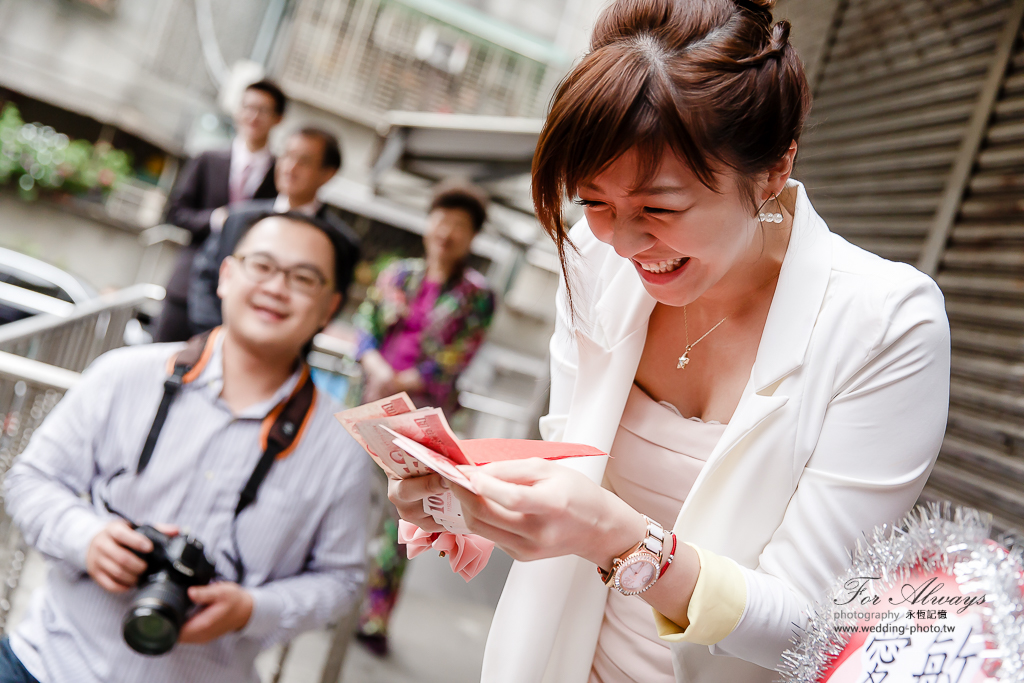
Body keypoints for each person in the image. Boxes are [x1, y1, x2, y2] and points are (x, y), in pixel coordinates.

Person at [389, 1, 951, 682]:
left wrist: (617, 537)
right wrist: (486, 506)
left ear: (774, 168)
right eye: (593, 201)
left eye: (659, 208)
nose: (624, 242)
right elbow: (572, 458)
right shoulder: (595, 268)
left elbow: (814, 625)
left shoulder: (886, 325)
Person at [3, 212, 369, 683]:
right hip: (46, 664)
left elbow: (341, 581)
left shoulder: (341, 451)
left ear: (329, 307)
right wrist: (88, 538)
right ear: (226, 276)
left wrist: (252, 610)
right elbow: (30, 479)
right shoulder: (123, 376)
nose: (277, 288)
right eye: (262, 266)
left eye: (303, 278)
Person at [350, 182, 496, 655]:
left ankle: (375, 616)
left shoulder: (477, 295)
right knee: (344, 499)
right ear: (428, 223)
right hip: (369, 403)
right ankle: (327, 595)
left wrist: (402, 379)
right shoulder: (398, 274)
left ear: (472, 236)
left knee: (405, 517)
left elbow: (454, 358)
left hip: (420, 422)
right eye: (441, 219)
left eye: (460, 225)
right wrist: (378, 370)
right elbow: (366, 327)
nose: (447, 232)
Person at [188, 127, 358, 334]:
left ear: (328, 173)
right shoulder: (239, 218)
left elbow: (328, 306)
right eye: (287, 156)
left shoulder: (339, 243)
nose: (290, 167)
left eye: (304, 161)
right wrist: (219, 333)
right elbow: (205, 277)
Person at [155, 79, 286, 342]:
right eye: (248, 107)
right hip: (187, 283)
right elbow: (174, 211)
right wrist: (216, 219)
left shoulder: (282, 173)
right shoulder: (207, 159)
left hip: (242, 294)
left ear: (277, 119)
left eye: (263, 110)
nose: (253, 116)